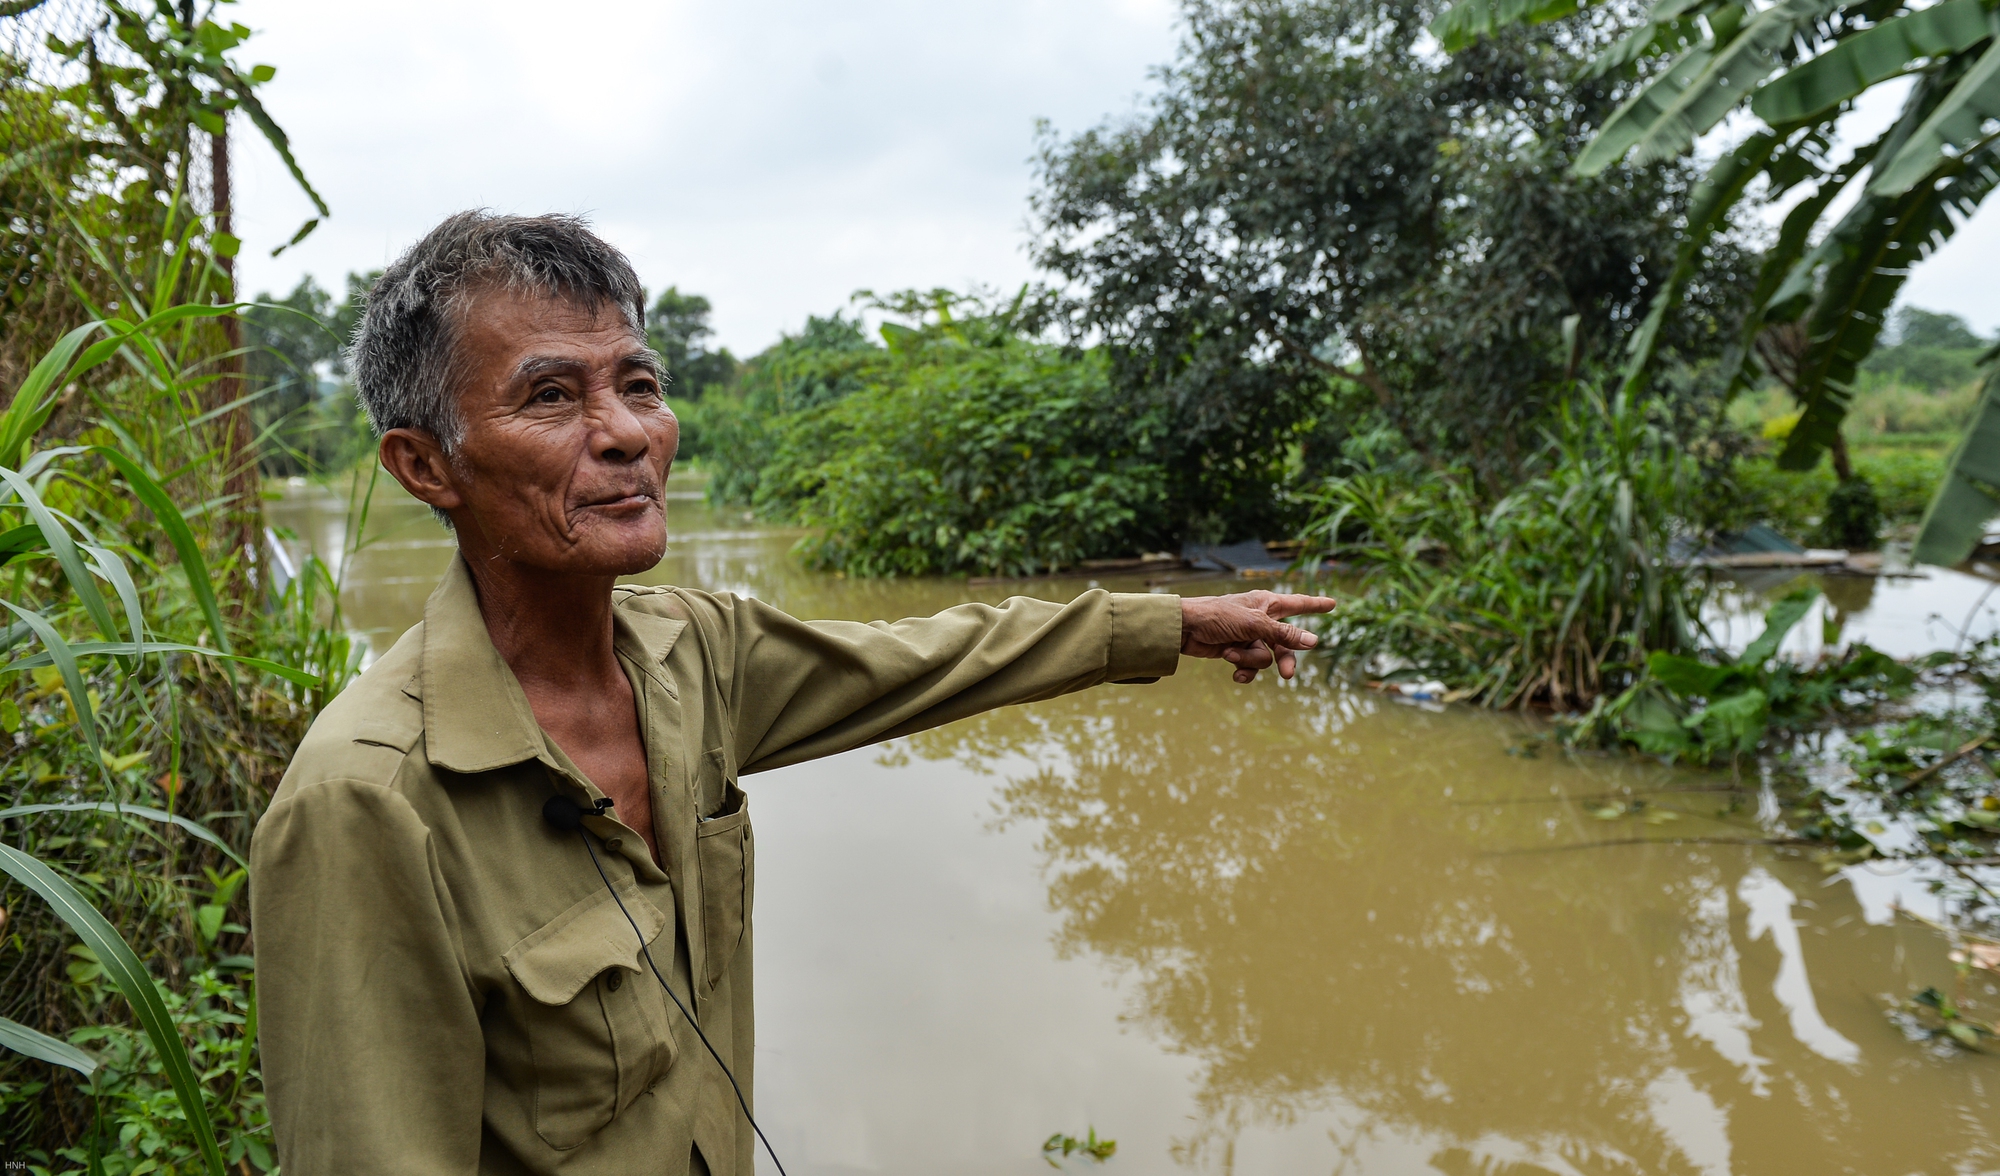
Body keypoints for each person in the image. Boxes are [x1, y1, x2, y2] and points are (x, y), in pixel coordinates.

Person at [248, 212, 1336, 1176]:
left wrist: (1170, 624)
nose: (627, 432)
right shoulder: (368, 802)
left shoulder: (696, 656)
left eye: (638, 383)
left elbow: (932, 659)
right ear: (424, 467)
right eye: (550, 396)